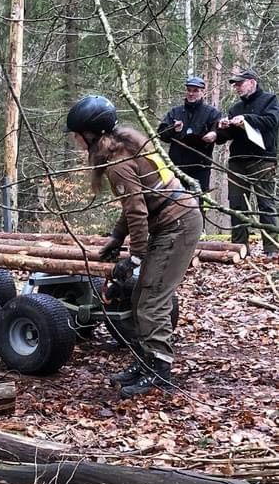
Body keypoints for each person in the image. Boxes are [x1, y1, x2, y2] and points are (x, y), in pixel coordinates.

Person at [64, 95, 203, 397]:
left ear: (91, 133)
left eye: (77, 136)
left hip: (178, 225)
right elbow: (135, 206)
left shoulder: (118, 162)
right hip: (171, 222)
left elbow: (138, 212)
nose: (76, 142)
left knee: (152, 298)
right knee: (141, 296)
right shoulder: (125, 145)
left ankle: (159, 372)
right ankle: (145, 361)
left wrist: (135, 258)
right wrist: (117, 237)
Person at [215, 68, 279, 257]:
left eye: (239, 83)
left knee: (265, 203)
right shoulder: (235, 108)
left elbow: (272, 121)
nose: (236, 88)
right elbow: (228, 137)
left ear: (252, 82)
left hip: (263, 160)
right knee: (236, 204)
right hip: (237, 161)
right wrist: (223, 128)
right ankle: (239, 247)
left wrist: (246, 120)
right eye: (235, 84)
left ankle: (271, 248)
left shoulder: (270, 100)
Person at [157, 75, 220, 210]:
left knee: (198, 203)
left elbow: (220, 132)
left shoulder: (211, 113)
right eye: (189, 90)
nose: (191, 93)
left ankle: (199, 230)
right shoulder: (175, 112)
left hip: (200, 167)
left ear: (203, 92)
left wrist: (214, 134)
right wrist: (173, 130)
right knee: (174, 202)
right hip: (177, 166)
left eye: (195, 90)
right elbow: (161, 134)